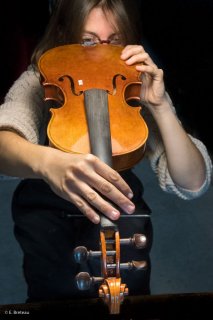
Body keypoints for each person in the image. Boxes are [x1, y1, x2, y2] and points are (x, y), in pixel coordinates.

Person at [0, 0, 212, 303]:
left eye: (114, 40)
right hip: (47, 223)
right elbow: (3, 141)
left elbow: (192, 182)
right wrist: (46, 162)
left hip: (122, 217)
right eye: (87, 40)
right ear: (64, 34)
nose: (100, 52)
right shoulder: (43, 76)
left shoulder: (130, 81)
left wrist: (161, 107)